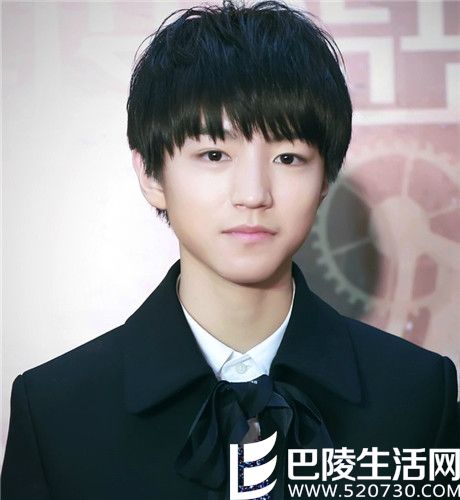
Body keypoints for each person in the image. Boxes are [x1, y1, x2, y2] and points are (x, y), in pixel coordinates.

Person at [2, 1, 458, 499]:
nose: (253, 194)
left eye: (288, 157)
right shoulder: (56, 411)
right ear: (151, 175)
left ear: (325, 178)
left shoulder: (418, 393)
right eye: (215, 154)